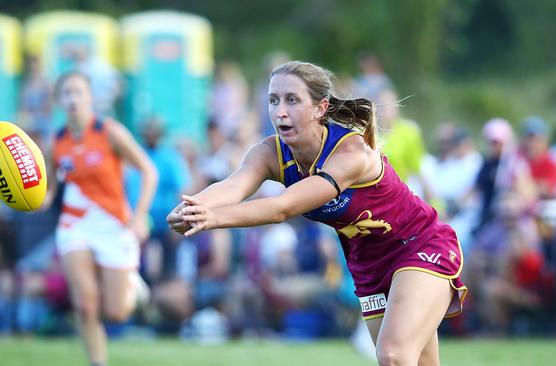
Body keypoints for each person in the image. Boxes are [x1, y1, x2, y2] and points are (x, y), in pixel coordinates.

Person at [167, 61, 467, 365]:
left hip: (421, 245)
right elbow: (233, 187)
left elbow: (282, 208)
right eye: (273, 100)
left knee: (393, 355)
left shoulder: (350, 153)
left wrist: (213, 219)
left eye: (292, 100)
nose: (279, 111)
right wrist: (195, 206)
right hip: (369, 264)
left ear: (320, 108)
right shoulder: (270, 152)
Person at [47, 71, 157, 366]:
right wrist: (31, 199)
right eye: (66, 93)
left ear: (90, 97)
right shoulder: (56, 141)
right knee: (85, 305)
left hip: (113, 224)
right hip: (75, 224)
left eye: (78, 92)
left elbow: (148, 171)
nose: (73, 99)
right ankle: (98, 363)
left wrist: (139, 216)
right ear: (59, 100)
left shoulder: (109, 132)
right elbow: (50, 190)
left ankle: (133, 288)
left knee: (117, 312)